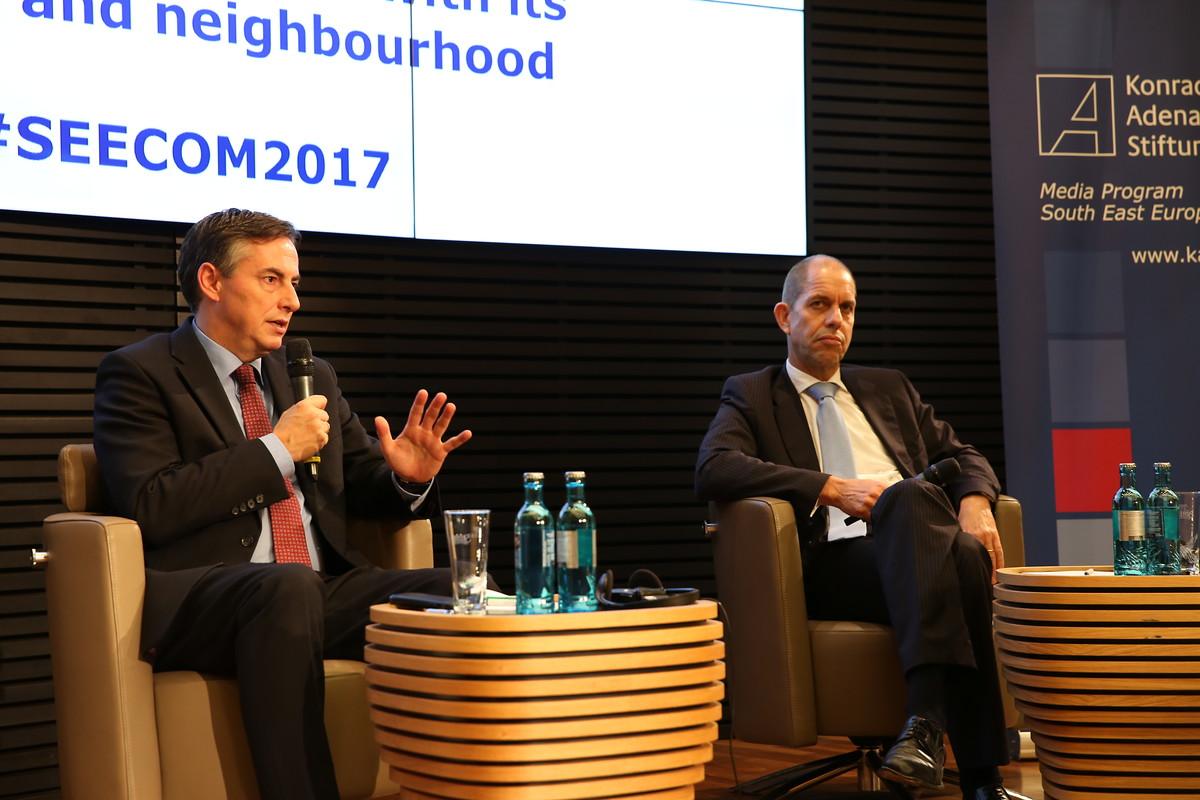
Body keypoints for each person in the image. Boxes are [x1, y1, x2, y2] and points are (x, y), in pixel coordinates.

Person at [92, 208, 472, 800]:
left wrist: (405, 478)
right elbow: (151, 503)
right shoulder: (140, 372)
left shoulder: (309, 374)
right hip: (206, 599)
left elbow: (363, 485)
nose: (291, 300)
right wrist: (276, 450)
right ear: (212, 281)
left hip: (318, 592)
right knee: (286, 587)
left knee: (461, 587)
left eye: (293, 283)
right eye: (271, 279)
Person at [695, 254, 1016, 800]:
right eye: (820, 304)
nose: (836, 319)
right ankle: (980, 774)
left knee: (957, 550)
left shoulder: (889, 389)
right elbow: (714, 467)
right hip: (834, 565)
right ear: (784, 316)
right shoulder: (752, 394)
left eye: (847, 308)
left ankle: (928, 740)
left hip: (921, 553)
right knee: (922, 511)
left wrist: (976, 503)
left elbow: (964, 456)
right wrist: (830, 487)